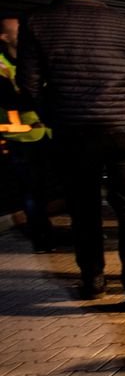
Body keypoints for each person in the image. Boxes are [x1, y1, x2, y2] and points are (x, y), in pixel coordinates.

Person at [17, 0, 125, 307]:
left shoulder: (36, 22)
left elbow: (28, 83)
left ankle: (93, 281)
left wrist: (54, 117)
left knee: (83, 208)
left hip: (73, 131)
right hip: (123, 128)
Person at [1, 17, 55, 251]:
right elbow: (11, 99)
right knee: (31, 191)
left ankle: (54, 233)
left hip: (47, 134)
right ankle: (42, 239)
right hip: (21, 138)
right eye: (18, 31)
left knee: (50, 188)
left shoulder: (34, 60)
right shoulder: (1, 65)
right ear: (5, 37)